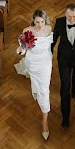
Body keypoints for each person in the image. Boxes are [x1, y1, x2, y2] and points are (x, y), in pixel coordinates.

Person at [14, 9, 53, 140]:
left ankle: (45, 121)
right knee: (36, 83)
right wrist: (22, 49)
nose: (40, 25)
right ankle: (33, 84)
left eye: (42, 21)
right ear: (33, 20)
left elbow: (51, 45)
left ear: (45, 21)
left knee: (44, 90)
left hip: (45, 63)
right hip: (32, 63)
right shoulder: (27, 31)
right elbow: (23, 51)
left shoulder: (49, 29)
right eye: (37, 22)